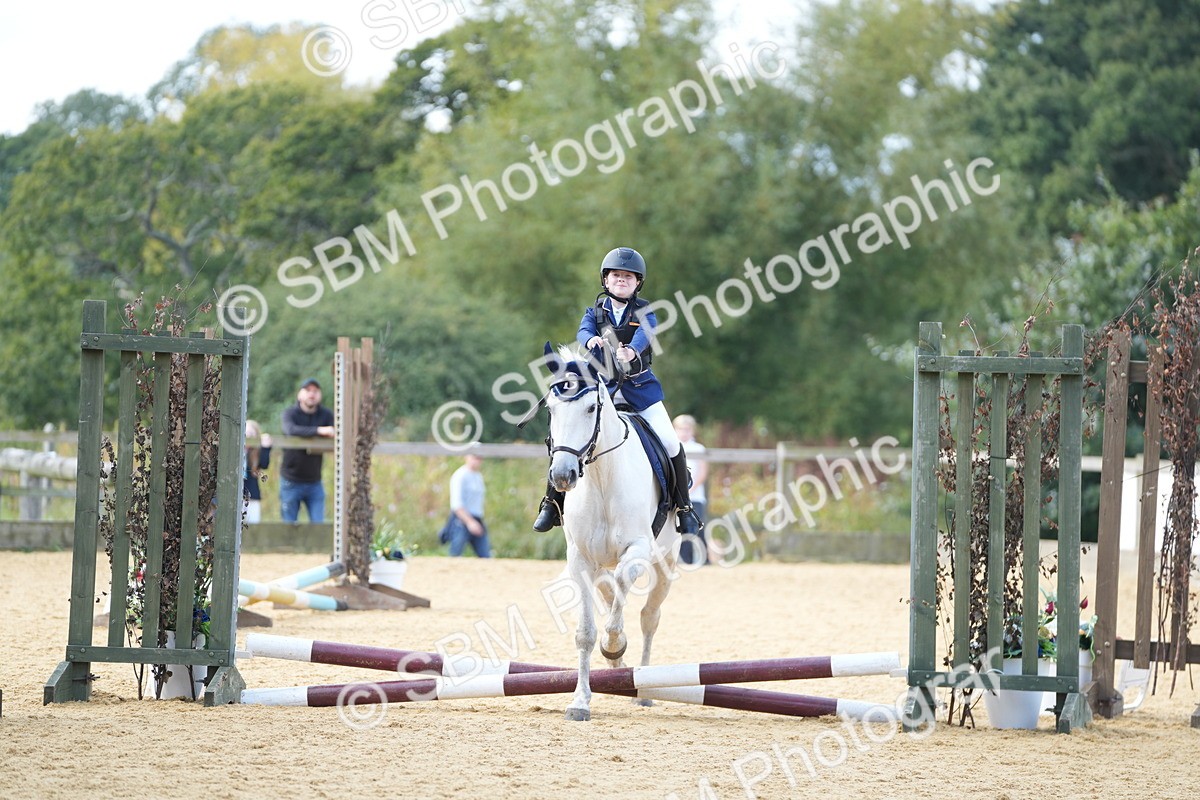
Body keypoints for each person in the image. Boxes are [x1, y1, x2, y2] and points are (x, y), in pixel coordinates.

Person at [532, 246, 703, 536]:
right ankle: (552, 503)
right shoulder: (594, 312)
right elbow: (583, 332)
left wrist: (631, 351)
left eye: (627, 276)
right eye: (615, 275)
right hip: (604, 391)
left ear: (638, 283)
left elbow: (644, 334)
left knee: (671, 442)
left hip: (640, 391)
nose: (621, 280)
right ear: (606, 280)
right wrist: (590, 343)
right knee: (567, 439)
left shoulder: (645, 312)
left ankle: (684, 509)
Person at [280, 377, 334, 523]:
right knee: (288, 527)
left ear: (320, 395)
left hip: (315, 481)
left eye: (315, 391)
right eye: (308, 390)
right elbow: (290, 430)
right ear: (300, 394)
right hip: (290, 480)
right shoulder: (290, 413)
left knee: (318, 526)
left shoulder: (326, 415)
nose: (312, 394)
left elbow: (337, 432)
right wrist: (320, 431)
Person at [672, 414, 709, 565]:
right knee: (681, 530)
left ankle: (703, 560)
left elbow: (702, 471)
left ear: (692, 431)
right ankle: (685, 560)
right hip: (678, 496)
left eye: (687, 429)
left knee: (697, 529)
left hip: (695, 496)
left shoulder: (698, 448)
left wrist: (690, 489)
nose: (684, 432)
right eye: (680, 429)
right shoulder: (672, 446)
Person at [446, 454, 491, 557]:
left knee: (486, 556)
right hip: (461, 520)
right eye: (474, 457)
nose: (477, 461)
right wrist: (470, 522)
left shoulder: (478, 476)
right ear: (467, 457)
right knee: (455, 555)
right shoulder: (460, 475)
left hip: (477, 519)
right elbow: (456, 504)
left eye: (480, 458)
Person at [242, 419, 272, 524]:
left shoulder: (255, 454)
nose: (248, 438)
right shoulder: (235, 452)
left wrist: (266, 448)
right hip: (234, 497)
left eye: (251, 435)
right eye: (246, 434)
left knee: (253, 527)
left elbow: (264, 464)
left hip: (252, 496)